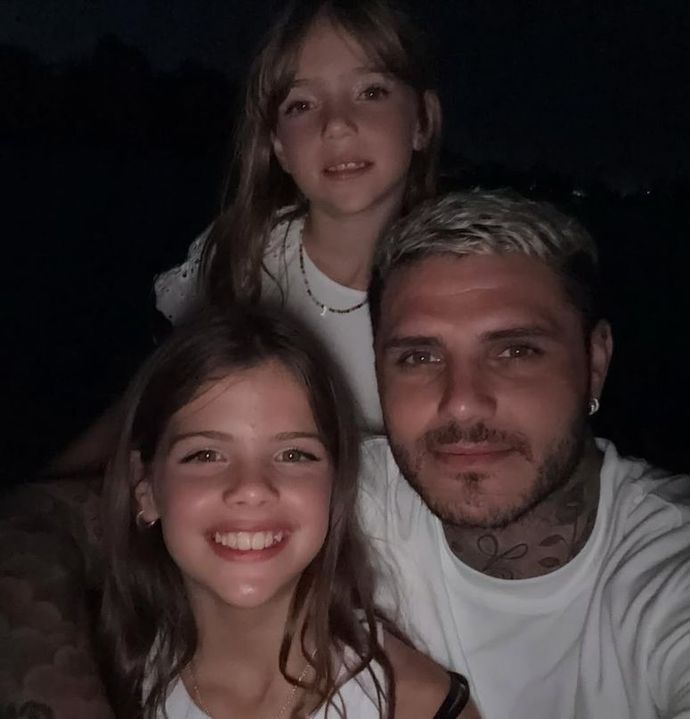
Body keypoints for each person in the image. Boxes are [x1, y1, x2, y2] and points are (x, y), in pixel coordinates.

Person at [48, 0, 441, 476]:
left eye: (371, 92)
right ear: (279, 146)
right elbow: (152, 401)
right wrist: (45, 489)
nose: (336, 124)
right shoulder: (245, 252)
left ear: (422, 120)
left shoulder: (457, 288)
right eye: (301, 105)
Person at [360, 189, 690, 719]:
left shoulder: (669, 562)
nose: (462, 402)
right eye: (419, 357)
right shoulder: (324, 505)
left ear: (595, 363)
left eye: (515, 351)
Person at [99, 307, 477, 719]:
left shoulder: (417, 707)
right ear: (145, 487)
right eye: (205, 455)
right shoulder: (103, 679)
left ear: (335, 485)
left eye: (294, 454)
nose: (251, 488)